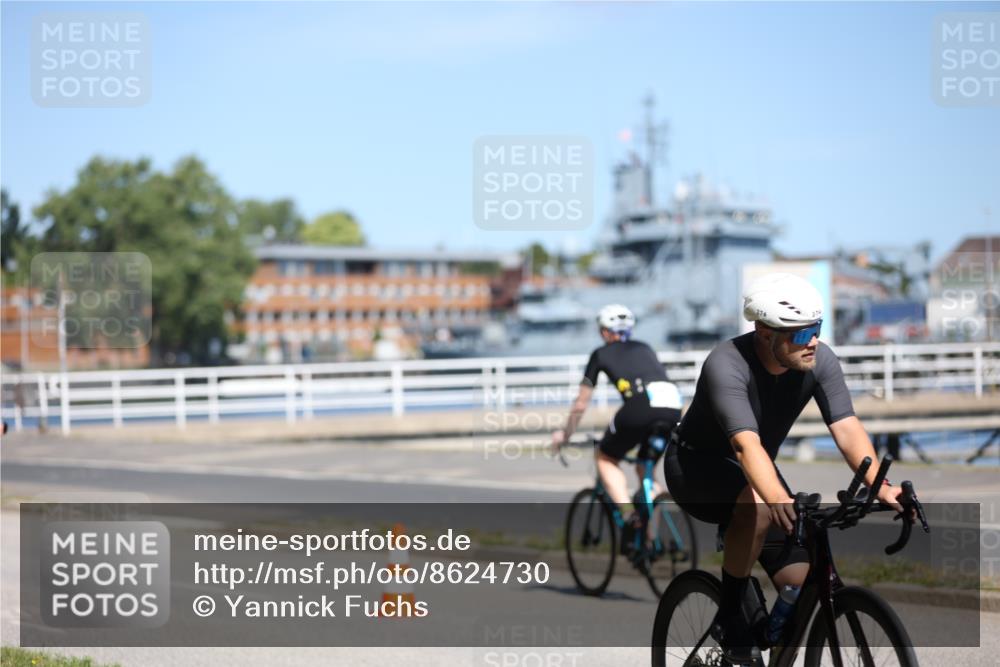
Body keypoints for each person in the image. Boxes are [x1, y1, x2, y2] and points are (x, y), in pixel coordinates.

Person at [663, 273, 905, 664]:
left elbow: (846, 430)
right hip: (695, 469)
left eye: (817, 328)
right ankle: (729, 617)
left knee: (798, 579)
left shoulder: (819, 360)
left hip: (756, 469)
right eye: (799, 332)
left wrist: (881, 487)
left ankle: (768, 639)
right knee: (760, 500)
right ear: (763, 331)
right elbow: (745, 444)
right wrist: (776, 496)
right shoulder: (727, 364)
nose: (812, 340)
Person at [551, 304, 682, 536]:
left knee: (605, 457)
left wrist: (565, 434)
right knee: (645, 468)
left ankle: (628, 514)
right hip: (672, 405)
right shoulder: (645, 347)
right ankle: (651, 540)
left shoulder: (600, 353)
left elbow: (581, 402)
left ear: (604, 332)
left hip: (641, 406)